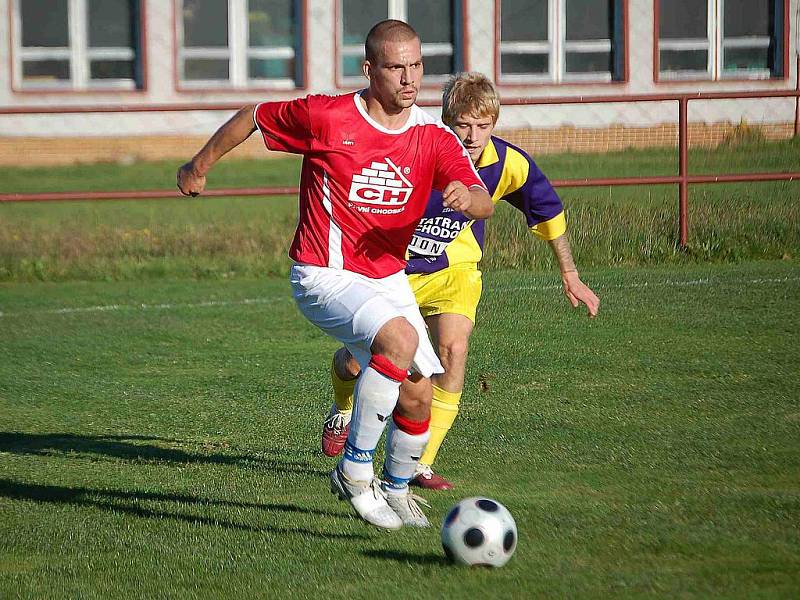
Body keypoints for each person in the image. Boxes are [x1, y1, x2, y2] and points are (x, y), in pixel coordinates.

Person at [177, 21, 492, 530]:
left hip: (385, 277)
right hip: (323, 272)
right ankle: (354, 469)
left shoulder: (433, 137)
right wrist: (199, 164)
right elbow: (254, 116)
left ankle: (394, 487)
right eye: (395, 67)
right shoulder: (326, 116)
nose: (409, 78)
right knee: (401, 338)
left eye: (416, 66)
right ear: (369, 70)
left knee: (417, 392)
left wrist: (469, 200)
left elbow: (481, 198)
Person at [321, 72, 599, 490]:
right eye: (463, 125)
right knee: (358, 361)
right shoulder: (419, 151)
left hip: (454, 271)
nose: (472, 136)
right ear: (446, 119)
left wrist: (570, 273)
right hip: (394, 274)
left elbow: (547, 211)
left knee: (453, 351)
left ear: (494, 124)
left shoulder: (507, 163)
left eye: (482, 126)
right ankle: (343, 408)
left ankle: (418, 464)